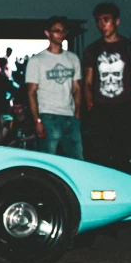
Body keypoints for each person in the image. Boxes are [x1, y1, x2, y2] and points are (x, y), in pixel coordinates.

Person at [83, 2, 131, 172]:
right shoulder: (92, 50)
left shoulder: (130, 47)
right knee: (100, 153)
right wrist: (91, 106)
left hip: (123, 107)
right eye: (99, 21)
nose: (102, 25)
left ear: (117, 21)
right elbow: (87, 82)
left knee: (123, 153)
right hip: (100, 109)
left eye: (106, 20)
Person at [25, 16, 83, 159]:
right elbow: (31, 92)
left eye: (63, 31)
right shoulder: (37, 60)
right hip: (48, 116)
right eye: (56, 31)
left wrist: (77, 114)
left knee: (78, 159)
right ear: (48, 33)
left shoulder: (72, 58)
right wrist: (37, 121)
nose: (60, 34)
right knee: (49, 160)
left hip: (69, 116)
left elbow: (76, 89)